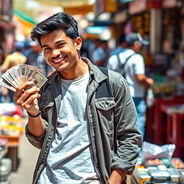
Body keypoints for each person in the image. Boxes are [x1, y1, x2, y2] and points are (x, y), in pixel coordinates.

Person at [13, 12, 142, 184]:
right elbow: (40, 141)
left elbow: (130, 138)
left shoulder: (111, 83)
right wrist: (33, 112)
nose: (55, 54)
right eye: (47, 49)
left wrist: (114, 180)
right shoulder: (45, 88)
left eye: (60, 45)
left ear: (78, 43)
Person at [107, 33, 154, 138]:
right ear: (136, 44)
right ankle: (136, 153)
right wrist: (149, 82)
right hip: (134, 96)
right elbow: (140, 78)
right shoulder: (137, 58)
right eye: (140, 45)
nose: (141, 47)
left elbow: (108, 77)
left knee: (119, 125)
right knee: (136, 126)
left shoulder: (114, 57)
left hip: (116, 96)